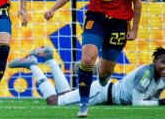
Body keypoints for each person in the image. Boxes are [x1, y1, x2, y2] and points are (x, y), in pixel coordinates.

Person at [44, 0, 142, 118]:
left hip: (118, 24)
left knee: (105, 74)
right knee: (87, 60)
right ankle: (83, 103)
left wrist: (134, 29)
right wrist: (53, 9)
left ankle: (98, 71)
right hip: (95, 18)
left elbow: (137, 2)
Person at [9, 46, 165, 107]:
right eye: (163, 62)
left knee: (64, 95)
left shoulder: (161, 77)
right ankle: (33, 65)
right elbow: (137, 104)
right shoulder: (146, 74)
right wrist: (161, 103)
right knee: (54, 102)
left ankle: (49, 57)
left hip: (105, 93)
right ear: (154, 61)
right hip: (100, 93)